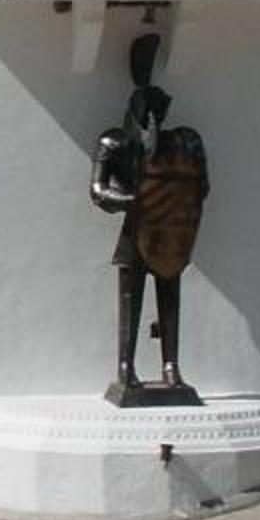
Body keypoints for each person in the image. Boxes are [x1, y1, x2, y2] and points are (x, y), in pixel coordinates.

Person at [88, 61, 209, 403]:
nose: (154, 120)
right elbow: (98, 191)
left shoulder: (179, 146)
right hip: (134, 232)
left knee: (170, 300)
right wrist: (133, 200)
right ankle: (126, 367)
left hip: (170, 233)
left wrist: (168, 204)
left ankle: (171, 366)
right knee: (132, 303)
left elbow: (197, 188)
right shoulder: (114, 142)